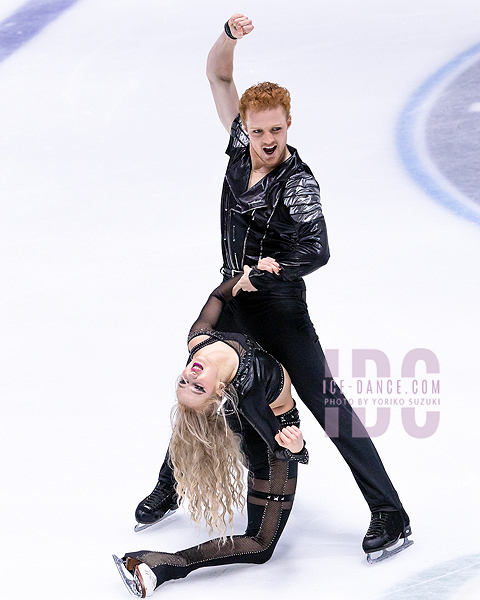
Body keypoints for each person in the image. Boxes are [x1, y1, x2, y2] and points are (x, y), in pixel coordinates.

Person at [134, 13, 412, 563]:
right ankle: (173, 483)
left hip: (280, 312)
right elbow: (218, 79)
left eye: (275, 131)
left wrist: (274, 268)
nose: (265, 140)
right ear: (247, 126)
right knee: (201, 393)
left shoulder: (298, 182)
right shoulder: (240, 149)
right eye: (258, 130)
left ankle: (390, 513)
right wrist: (229, 38)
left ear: (289, 125)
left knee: (329, 407)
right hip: (234, 304)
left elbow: (318, 249)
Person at [114, 274, 309, 597]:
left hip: (249, 423)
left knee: (195, 418)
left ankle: (168, 489)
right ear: (219, 390)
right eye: (196, 386)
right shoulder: (247, 392)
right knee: (261, 545)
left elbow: (217, 298)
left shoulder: (198, 342)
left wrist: (243, 278)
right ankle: (163, 564)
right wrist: (298, 447)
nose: (190, 375)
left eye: (185, 382)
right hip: (271, 439)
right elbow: (278, 444)